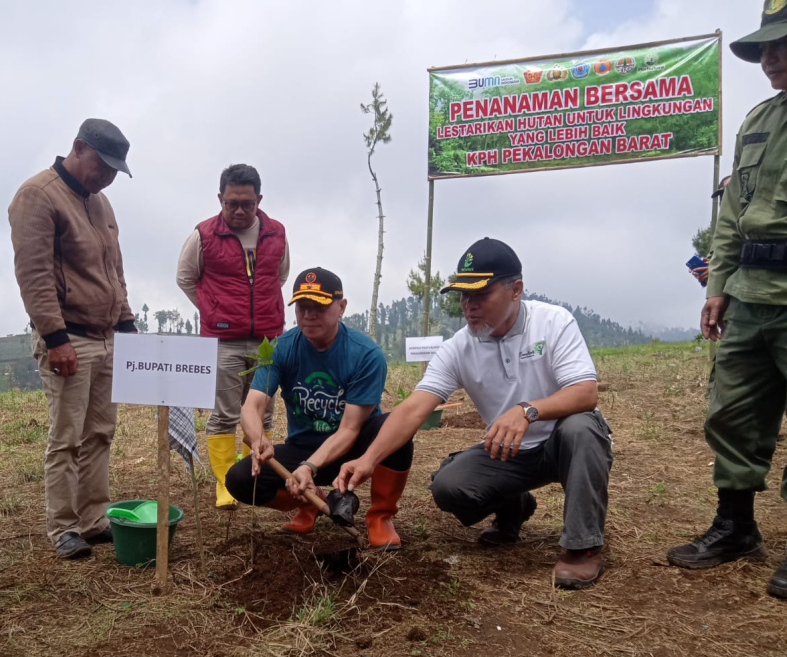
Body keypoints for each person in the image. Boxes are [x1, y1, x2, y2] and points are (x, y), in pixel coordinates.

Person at [336, 238, 613, 589]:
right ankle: (514, 506)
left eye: (480, 294)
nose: (469, 305)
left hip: (564, 445)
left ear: (516, 290)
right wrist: (368, 459)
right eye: (463, 295)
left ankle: (582, 548)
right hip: (510, 452)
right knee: (449, 486)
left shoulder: (553, 322)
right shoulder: (460, 347)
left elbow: (585, 392)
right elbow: (413, 409)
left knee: (582, 429)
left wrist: (528, 410)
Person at [667, 1, 787, 601]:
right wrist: (718, 286)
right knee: (732, 412)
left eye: (781, 44)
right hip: (748, 295)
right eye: (762, 48)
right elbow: (730, 217)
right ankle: (735, 526)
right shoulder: (758, 120)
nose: (767, 58)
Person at [9, 119, 136, 559]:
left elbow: (114, 272)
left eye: (115, 171)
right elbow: (35, 275)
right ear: (78, 148)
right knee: (67, 435)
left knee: (100, 431)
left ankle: (93, 518)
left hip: (106, 338)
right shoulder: (38, 196)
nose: (107, 177)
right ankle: (63, 527)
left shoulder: (101, 204)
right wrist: (55, 337)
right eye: (103, 166)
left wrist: (127, 324)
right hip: (69, 338)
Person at [223, 268, 413, 549]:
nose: (309, 315)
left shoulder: (365, 354)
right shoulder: (280, 348)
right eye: (302, 307)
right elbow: (252, 406)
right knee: (240, 479)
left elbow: (349, 429)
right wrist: (258, 438)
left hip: (355, 449)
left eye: (319, 306)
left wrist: (308, 466)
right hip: (304, 447)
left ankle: (380, 516)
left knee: (397, 433)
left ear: (341, 307)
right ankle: (310, 502)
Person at [176, 164, 289, 509]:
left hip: (267, 339)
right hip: (222, 341)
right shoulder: (202, 235)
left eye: (246, 203)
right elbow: (185, 277)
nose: (239, 211)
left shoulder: (277, 233)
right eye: (231, 203)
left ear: (259, 200)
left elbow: (279, 277)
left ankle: (251, 477)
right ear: (220, 199)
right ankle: (226, 484)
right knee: (224, 413)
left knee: (264, 414)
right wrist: (213, 310)